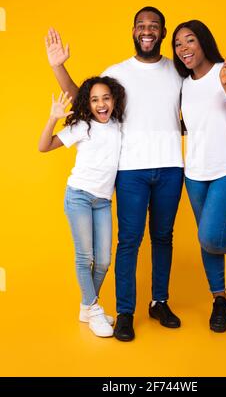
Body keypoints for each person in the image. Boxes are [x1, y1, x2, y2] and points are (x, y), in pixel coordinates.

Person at [45, 8, 184, 341]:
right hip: (130, 170)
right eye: (141, 26)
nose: (147, 31)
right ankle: (124, 312)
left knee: (163, 238)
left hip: (170, 167)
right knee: (129, 243)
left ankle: (159, 301)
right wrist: (58, 66)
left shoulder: (178, 71)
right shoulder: (117, 73)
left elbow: (191, 111)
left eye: (154, 26)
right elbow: (85, 101)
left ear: (163, 32)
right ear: (133, 31)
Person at [172, 20, 226, 332]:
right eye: (178, 44)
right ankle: (219, 300)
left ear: (203, 41)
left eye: (190, 41)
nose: (184, 49)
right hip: (195, 171)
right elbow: (192, 124)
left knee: (210, 236)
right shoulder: (183, 84)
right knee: (207, 242)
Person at [38, 76, 125, 338]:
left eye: (106, 98)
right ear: (88, 103)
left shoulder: (120, 126)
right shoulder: (83, 126)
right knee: (84, 257)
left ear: (114, 100)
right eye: (94, 99)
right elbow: (43, 146)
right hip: (78, 196)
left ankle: (87, 307)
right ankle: (94, 310)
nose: (101, 104)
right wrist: (53, 117)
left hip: (103, 201)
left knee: (104, 261)